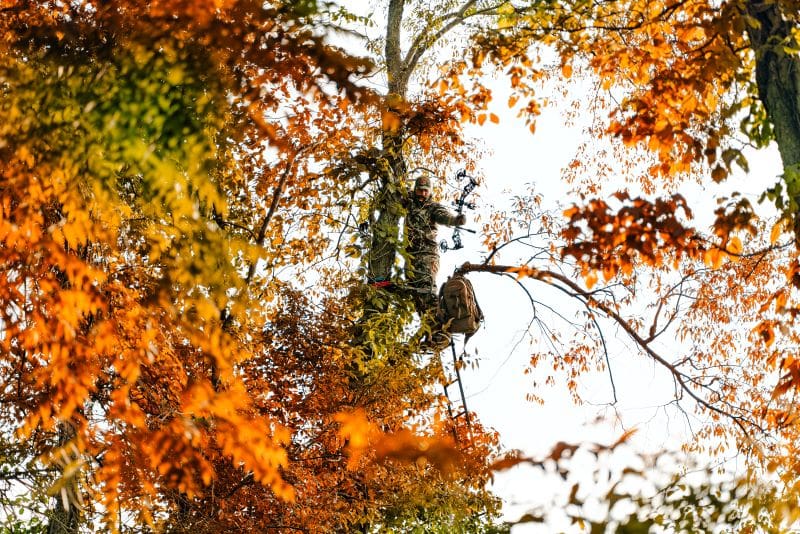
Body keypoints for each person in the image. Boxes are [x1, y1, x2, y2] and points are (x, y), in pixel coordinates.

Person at [403, 174, 466, 318]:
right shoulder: (409, 202)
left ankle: (441, 325)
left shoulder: (433, 207)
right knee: (414, 295)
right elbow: (399, 189)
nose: (423, 194)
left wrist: (456, 220)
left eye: (426, 191)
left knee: (427, 291)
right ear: (415, 190)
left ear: (430, 191)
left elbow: (444, 217)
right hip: (410, 256)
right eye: (420, 190)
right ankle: (430, 328)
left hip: (427, 255)